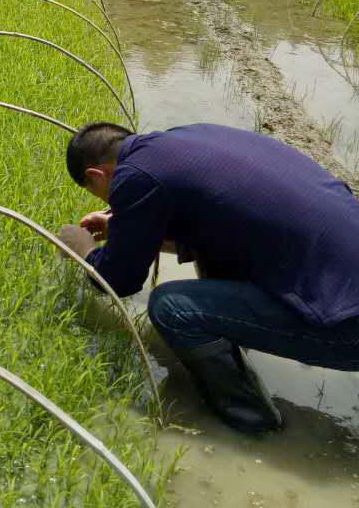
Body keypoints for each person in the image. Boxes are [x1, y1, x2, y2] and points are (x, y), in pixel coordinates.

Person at [57, 122, 359, 434]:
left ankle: (256, 426)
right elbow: (220, 227)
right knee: (211, 255)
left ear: (97, 175)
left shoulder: (133, 176)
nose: (109, 203)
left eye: (100, 194)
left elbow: (118, 280)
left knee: (171, 308)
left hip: (350, 326)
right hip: (344, 278)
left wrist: (84, 250)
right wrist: (130, 229)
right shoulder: (182, 140)